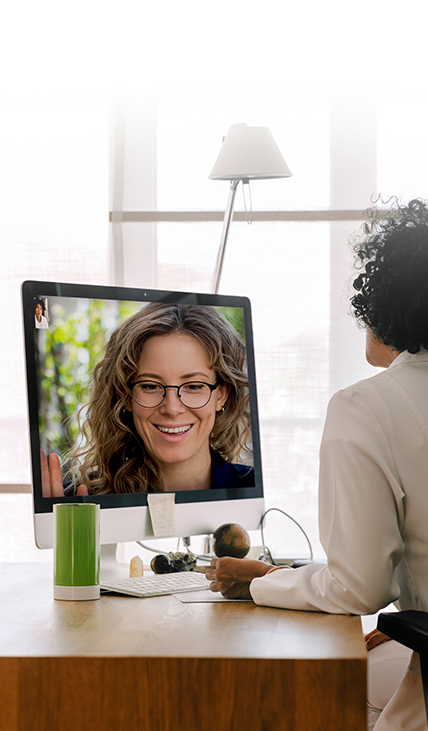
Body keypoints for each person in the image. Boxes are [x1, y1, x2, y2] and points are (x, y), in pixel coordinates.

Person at [206, 198, 428, 731]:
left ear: (383, 302)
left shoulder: (369, 406)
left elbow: (358, 589)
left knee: (314, 695)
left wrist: (262, 580)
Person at [42, 302, 254, 496]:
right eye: (150, 386)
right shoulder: (79, 503)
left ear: (222, 395)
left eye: (194, 386)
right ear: (126, 396)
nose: (171, 408)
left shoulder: (257, 492)